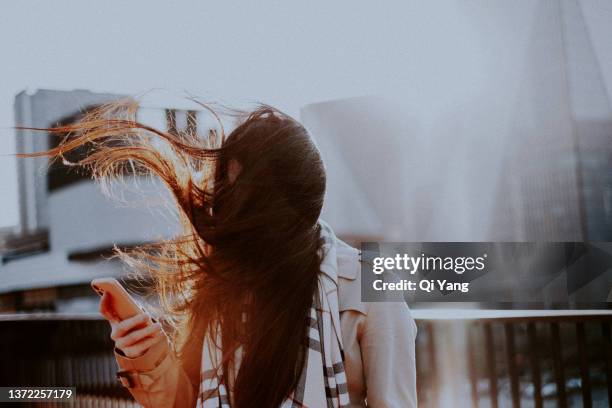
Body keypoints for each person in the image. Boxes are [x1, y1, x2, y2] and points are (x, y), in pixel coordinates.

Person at [26, 99, 417, 407]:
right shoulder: (222, 281)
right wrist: (143, 348)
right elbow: (185, 402)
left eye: (246, 193)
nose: (230, 209)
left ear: (293, 198)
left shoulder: (368, 285)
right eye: (227, 188)